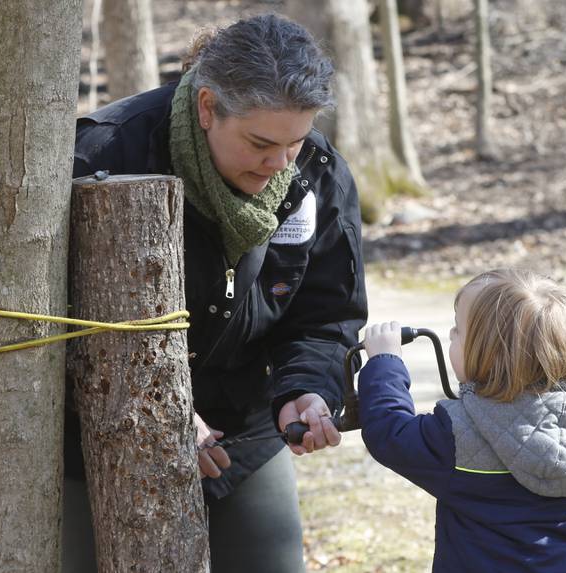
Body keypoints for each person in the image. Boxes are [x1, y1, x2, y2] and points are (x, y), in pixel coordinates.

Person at [65, 14, 367, 573]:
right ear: (207, 108)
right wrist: (159, 408)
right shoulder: (103, 157)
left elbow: (326, 314)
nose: (279, 164)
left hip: (244, 437)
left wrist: (305, 388)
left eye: (294, 143)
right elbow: (39, 322)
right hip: (94, 447)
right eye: (260, 143)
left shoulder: (316, 173)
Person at [358, 268, 566, 572]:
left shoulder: (458, 434)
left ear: (488, 355)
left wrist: (385, 363)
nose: (450, 334)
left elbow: (390, 434)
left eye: (457, 330)